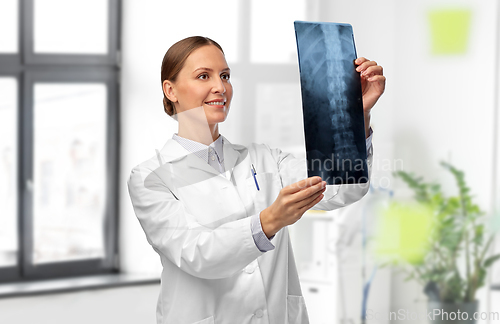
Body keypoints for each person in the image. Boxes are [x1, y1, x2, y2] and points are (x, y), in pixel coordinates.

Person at [127, 36, 385, 324]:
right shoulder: (150, 178)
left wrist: (355, 114)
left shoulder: (264, 158)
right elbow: (197, 254)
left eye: (225, 76)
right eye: (204, 76)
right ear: (170, 90)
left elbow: (343, 186)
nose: (220, 87)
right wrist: (269, 221)